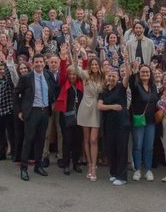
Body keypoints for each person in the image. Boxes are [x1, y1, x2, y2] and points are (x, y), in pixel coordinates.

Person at [14, 54, 58, 181]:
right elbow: (16, 93)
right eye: (36, 62)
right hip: (32, 112)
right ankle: (24, 168)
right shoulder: (27, 78)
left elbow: (53, 90)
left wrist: (52, 102)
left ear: (44, 63)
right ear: (33, 63)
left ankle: (38, 166)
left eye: (41, 62)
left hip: (45, 112)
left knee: (41, 139)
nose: (39, 64)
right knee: (28, 140)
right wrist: (19, 111)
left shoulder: (48, 75)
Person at [73, 50, 104, 182]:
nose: (94, 66)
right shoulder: (86, 75)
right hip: (85, 107)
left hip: (96, 109)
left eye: (96, 64)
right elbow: (76, 68)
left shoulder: (103, 77)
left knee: (93, 139)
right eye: (92, 65)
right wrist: (75, 54)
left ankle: (94, 167)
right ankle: (90, 166)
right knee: (86, 139)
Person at [98, 66, 131, 186]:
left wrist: (127, 61)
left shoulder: (121, 87)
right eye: (110, 76)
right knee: (111, 149)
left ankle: (122, 177)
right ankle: (114, 173)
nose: (111, 78)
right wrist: (113, 107)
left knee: (121, 149)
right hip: (109, 124)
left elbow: (128, 74)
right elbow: (99, 106)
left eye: (114, 76)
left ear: (117, 78)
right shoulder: (104, 90)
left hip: (122, 124)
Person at [56, 43, 84, 175]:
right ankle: (66, 164)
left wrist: (80, 55)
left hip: (79, 117)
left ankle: (76, 163)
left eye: (74, 74)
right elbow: (62, 72)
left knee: (78, 141)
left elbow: (84, 69)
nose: (72, 76)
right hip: (66, 116)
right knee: (67, 141)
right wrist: (63, 57)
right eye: (70, 74)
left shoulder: (80, 83)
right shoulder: (64, 82)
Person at [129, 63, 158, 182]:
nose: (145, 74)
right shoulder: (136, 86)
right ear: (139, 74)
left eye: (147, 72)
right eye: (142, 72)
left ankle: (148, 170)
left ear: (150, 74)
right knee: (138, 146)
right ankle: (137, 170)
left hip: (151, 120)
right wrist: (134, 69)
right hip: (139, 120)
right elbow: (131, 80)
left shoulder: (153, 87)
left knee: (149, 147)